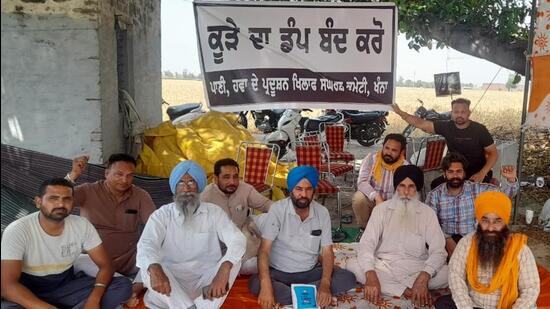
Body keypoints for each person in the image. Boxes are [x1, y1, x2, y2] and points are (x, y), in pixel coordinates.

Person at [1, 178, 132, 309]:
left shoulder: (82, 225)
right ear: (38, 202)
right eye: (53, 198)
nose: (60, 204)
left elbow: (106, 266)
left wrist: (94, 299)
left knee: (122, 285)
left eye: (67, 199)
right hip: (27, 287)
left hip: (65, 286)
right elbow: (8, 285)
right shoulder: (18, 229)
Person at [136, 160, 246, 309]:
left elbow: (237, 240)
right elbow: (146, 244)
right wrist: (155, 268)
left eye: (192, 182)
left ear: (199, 186)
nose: (186, 188)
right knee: (147, 267)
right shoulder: (161, 215)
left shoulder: (213, 212)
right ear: (174, 187)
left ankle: (188, 305)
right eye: (181, 183)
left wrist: (224, 268)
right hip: (170, 284)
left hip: (205, 283)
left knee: (234, 261)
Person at [249, 166, 356, 308]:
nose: (303, 194)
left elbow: (327, 252)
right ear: (291, 190)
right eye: (299, 189)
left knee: (348, 278)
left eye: (308, 189)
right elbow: (264, 251)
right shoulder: (278, 210)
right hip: (280, 273)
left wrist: (325, 284)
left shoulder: (322, 212)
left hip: (310, 272)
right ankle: (310, 295)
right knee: (257, 283)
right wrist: (266, 286)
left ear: (314, 191)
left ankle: (299, 295)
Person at [349, 165, 448, 308]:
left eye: (411, 186)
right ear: (396, 188)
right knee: (352, 265)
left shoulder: (428, 213)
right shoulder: (381, 210)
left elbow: (439, 250)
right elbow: (366, 244)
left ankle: (399, 286)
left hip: (416, 267)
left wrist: (424, 277)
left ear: (418, 188)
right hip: (384, 265)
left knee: (449, 273)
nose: (406, 192)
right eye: (402, 186)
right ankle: (407, 290)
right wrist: (371, 274)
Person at [439, 191, 540, 309]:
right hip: (474, 304)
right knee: (442, 304)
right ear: (478, 221)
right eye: (485, 220)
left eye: (497, 221)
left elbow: (531, 288)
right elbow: (455, 275)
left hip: (508, 306)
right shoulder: (467, 243)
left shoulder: (520, 250)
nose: (491, 227)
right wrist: (466, 307)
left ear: (505, 222)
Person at [66, 153, 156, 277]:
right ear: (106, 173)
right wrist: (73, 175)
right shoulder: (88, 191)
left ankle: (122, 282)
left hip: (130, 262)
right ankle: (122, 283)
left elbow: (156, 226)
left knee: (161, 261)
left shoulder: (140, 195)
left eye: (129, 176)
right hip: (92, 262)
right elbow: (57, 202)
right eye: (119, 174)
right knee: (79, 261)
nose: (124, 180)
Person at [426, 152, 519, 256]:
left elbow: (503, 197)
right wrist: (446, 239)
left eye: (459, 171)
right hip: (444, 244)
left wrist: (511, 180)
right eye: (450, 172)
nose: (455, 175)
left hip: (474, 242)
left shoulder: (476, 189)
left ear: (464, 173)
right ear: (444, 174)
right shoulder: (434, 195)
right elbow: (430, 223)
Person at [393, 98, 498, 187]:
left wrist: (483, 173)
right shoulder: (447, 127)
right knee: (436, 184)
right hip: (455, 172)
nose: (459, 115)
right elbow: (421, 123)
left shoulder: (479, 130)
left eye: (463, 112)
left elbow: (493, 153)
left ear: (469, 113)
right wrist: (400, 112)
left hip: (477, 172)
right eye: (456, 112)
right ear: (451, 113)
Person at [201, 158, 272, 274]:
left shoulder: (245, 189)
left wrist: (284, 213)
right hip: (220, 245)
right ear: (215, 178)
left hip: (246, 237)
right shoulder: (205, 197)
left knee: (268, 219)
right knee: (249, 266)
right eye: (226, 177)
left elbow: (266, 204)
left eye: (235, 177)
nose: (232, 182)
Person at [352, 133, 408, 229]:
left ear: (402, 152)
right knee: (359, 198)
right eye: (387, 148)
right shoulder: (371, 159)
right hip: (373, 200)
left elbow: (405, 192)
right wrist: (376, 197)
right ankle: (365, 229)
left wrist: (389, 205)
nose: (389, 153)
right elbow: (362, 182)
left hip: (393, 203)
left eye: (394, 150)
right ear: (383, 146)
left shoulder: (406, 166)